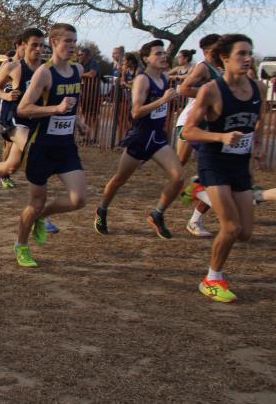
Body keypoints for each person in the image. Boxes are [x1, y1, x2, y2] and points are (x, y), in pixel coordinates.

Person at [182, 34, 264, 303]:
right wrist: (220, 136)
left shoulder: (257, 88)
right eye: (241, 53)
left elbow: (257, 121)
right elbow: (188, 131)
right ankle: (212, 279)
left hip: (239, 165)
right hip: (214, 161)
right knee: (230, 227)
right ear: (225, 58)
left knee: (245, 233)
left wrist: (257, 146)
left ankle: (201, 192)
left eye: (250, 53)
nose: (248, 58)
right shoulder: (211, 90)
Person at [13, 23, 88, 268]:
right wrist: (55, 109)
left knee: (78, 199)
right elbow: (23, 108)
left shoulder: (77, 69)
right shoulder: (44, 73)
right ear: (54, 42)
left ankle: (42, 217)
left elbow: (72, 103)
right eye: (68, 41)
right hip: (41, 147)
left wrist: (79, 121)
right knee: (36, 202)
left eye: (74, 41)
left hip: (65, 147)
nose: (72, 46)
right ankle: (21, 245)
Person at [94, 40, 184, 238]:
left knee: (178, 177)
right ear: (146, 58)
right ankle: (102, 209)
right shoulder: (142, 80)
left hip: (157, 138)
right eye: (158, 53)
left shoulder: (164, 78)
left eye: (164, 53)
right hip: (140, 137)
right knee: (119, 180)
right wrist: (162, 100)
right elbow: (136, 112)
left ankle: (157, 214)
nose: (163, 56)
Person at [0, 29, 46, 207]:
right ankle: (38, 209)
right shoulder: (12, 66)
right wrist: (7, 95)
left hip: (35, 118)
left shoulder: (46, 69)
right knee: (35, 151)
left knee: (11, 166)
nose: (39, 49)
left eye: (42, 46)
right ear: (23, 45)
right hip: (14, 118)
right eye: (34, 45)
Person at [175, 34, 223, 169]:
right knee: (180, 162)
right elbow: (183, 89)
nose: (222, 49)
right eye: (218, 47)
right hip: (190, 120)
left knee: (213, 160)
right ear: (207, 50)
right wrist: (210, 95)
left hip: (206, 121)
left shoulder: (219, 69)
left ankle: (200, 180)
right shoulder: (203, 67)